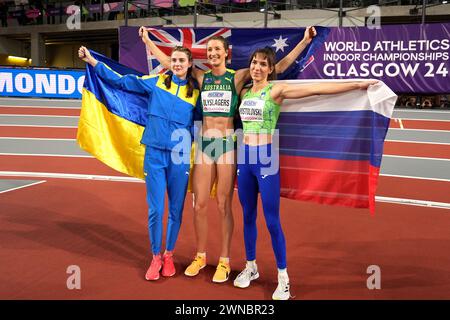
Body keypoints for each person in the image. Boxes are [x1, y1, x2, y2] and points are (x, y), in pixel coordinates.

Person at [139, 26, 317, 283]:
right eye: (209, 50)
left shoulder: (237, 77)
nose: (212, 53)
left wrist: (303, 42)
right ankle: (200, 256)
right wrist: (147, 41)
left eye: (216, 50)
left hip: (226, 145)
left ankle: (224, 260)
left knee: (223, 205)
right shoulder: (200, 77)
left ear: (226, 53)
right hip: (204, 144)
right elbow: (171, 62)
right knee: (199, 204)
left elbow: (279, 66)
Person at [232, 47, 378, 300]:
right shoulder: (243, 91)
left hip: (265, 158)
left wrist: (358, 85)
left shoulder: (276, 90)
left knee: (272, 220)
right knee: (247, 216)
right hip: (244, 158)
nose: (257, 68)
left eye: (263, 64)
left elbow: (317, 89)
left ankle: (283, 278)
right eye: (254, 63)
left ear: (270, 70)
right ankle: (251, 266)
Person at [78, 45, 200, 281]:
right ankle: (155, 256)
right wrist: (92, 61)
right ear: (170, 63)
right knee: (156, 209)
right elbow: (122, 82)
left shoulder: (195, 94)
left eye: (181, 61)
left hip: (180, 157)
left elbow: (209, 122)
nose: (177, 64)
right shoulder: (155, 83)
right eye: (174, 60)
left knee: (176, 210)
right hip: (154, 154)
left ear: (189, 64)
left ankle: (169, 255)